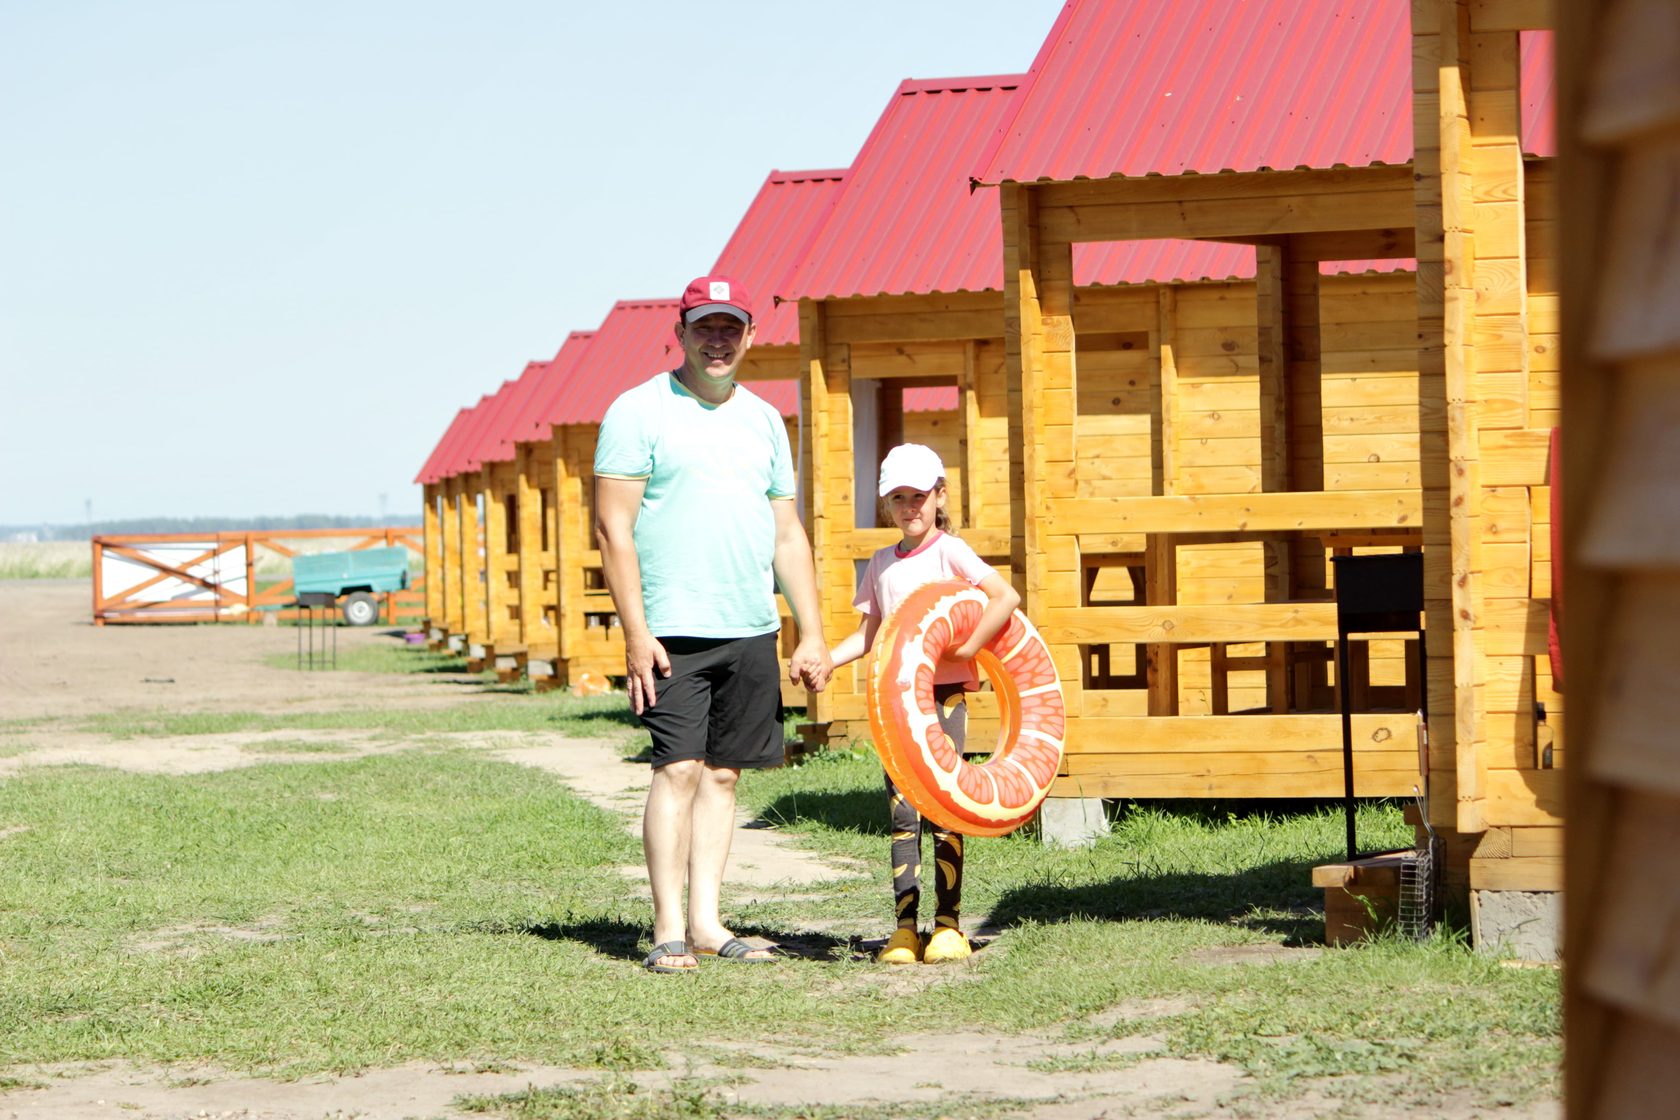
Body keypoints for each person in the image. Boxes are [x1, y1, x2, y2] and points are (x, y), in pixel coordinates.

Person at [594, 274, 832, 974]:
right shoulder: (637, 412)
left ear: (751, 335)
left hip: (749, 625)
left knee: (725, 776)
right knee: (678, 769)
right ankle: (667, 928)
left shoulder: (763, 420)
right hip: (671, 629)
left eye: (731, 327)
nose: (718, 339)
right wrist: (637, 634)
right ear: (682, 333)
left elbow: (786, 533)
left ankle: (706, 923)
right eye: (705, 327)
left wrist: (809, 629)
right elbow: (614, 529)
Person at [829, 443, 1020, 964]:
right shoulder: (881, 564)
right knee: (902, 812)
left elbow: (1005, 597)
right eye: (899, 498)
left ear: (939, 495)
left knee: (944, 807)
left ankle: (949, 926)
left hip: (945, 696)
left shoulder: (949, 552)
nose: (910, 506)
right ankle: (904, 929)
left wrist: (969, 646)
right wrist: (827, 659)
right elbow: (871, 635)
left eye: (920, 495)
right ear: (886, 504)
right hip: (897, 708)